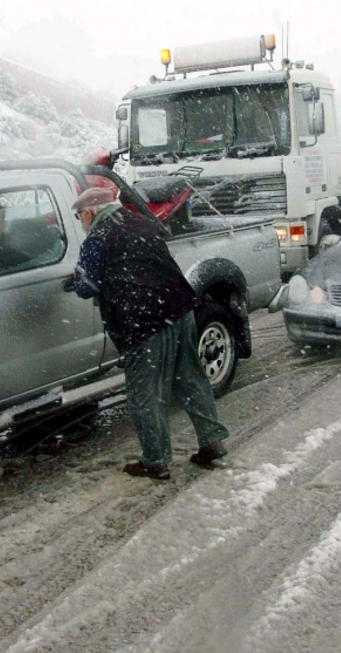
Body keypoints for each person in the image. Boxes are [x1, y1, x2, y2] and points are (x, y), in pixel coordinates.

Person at [71, 186, 229, 480]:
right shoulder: (143, 222)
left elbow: (86, 287)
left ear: (90, 213)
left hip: (143, 319)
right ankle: (211, 441)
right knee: (191, 377)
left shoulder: (99, 236)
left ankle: (156, 461)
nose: (81, 223)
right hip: (179, 308)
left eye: (80, 216)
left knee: (145, 393)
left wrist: (77, 278)